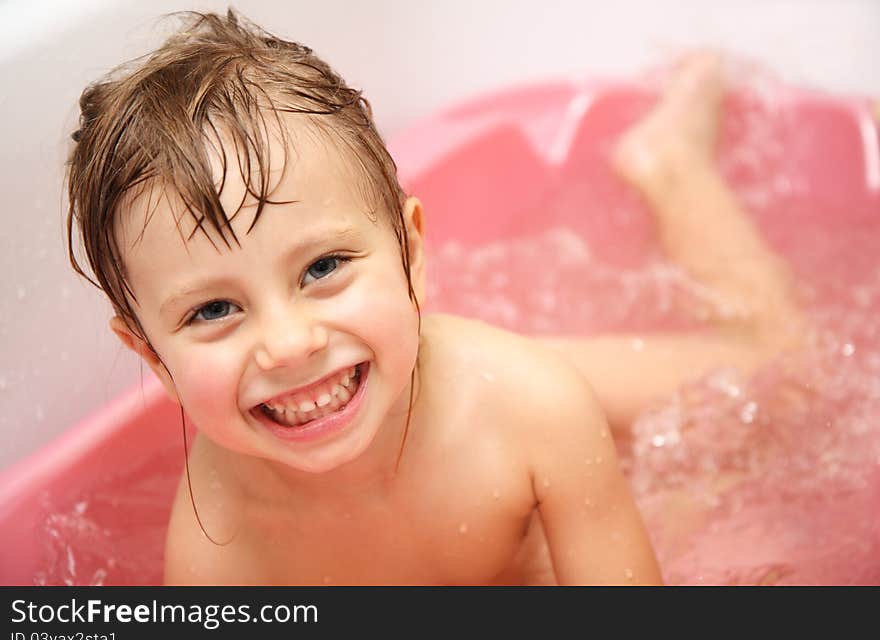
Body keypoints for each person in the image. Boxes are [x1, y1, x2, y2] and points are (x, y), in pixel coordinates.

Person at [65, 10, 801, 585]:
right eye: (213, 310)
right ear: (152, 357)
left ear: (412, 255)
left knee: (786, 377)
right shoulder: (216, 550)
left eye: (323, 266)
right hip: (406, 366)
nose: (289, 343)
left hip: (472, 383)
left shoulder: (532, 408)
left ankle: (669, 164)